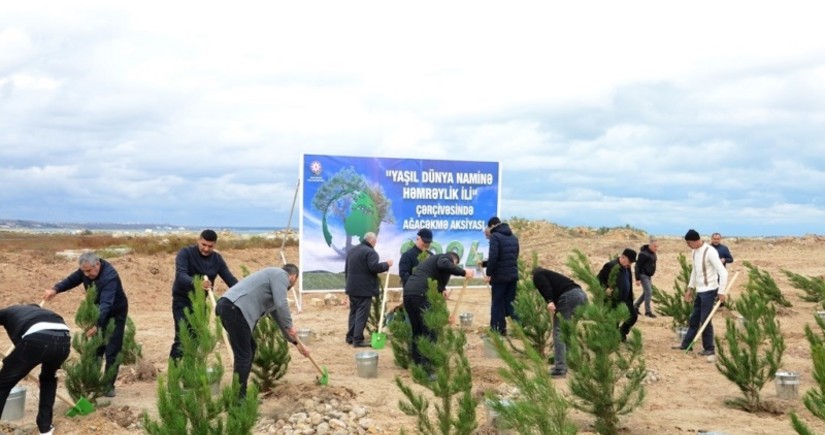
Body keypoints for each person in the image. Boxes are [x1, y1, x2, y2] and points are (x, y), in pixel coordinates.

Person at [215, 264, 309, 399]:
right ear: (293, 277)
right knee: (244, 355)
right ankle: (239, 399)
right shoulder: (280, 274)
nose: (291, 286)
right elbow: (282, 304)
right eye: (294, 282)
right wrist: (290, 325)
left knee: (249, 349)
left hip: (229, 308)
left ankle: (240, 392)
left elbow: (280, 319)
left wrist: (296, 343)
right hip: (234, 308)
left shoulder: (272, 288)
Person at [44, 251, 129, 397]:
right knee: (95, 349)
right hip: (97, 311)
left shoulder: (110, 277)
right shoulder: (85, 270)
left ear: (97, 264)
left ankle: (108, 386)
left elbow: (106, 304)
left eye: (89, 271)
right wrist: (55, 289)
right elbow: (71, 280)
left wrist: (97, 324)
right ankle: (92, 382)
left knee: (112, 349)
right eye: (84, 271)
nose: (87, 274)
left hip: (115, 313)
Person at [0, 304, 71, 435]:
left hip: (36, 338)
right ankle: (45, 428)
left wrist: (14, 367)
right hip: (64, 340)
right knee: (48, 379)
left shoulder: (8, 312)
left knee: (2, 384)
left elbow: (26, 350)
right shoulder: (45, 313)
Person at [170, 229, 238, 360]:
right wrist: (197, 283)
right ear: (198, 241)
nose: (206, 249)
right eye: (204, 245)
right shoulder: (186, 253)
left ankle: (190, 372)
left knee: (196, 337)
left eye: (210, 246)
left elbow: (230, 279)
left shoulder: (217, 259)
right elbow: (181, 275)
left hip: (200, 303)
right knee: (182, 337)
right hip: (182, 300)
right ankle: (174, 373)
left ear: (215, 245)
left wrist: (243, 290)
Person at [403, 252, 474, 368]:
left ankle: (418, 364)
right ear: (454, 260)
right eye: (454, 264)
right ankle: (427, 368)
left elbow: (436, 277)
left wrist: (442, 290)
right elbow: (443, 264)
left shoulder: (428, 264)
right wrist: (463, 272)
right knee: (430, 331)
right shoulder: (445, 257)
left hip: (408, 294)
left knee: (418, 331)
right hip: (421, 295)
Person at [675, 229, 728, 356]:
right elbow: (695, 271)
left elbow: (723, 272)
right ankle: (686, 344)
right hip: (700, 291)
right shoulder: (694, 251)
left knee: (705, 320)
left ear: (695, 241)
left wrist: (721, 292)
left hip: (710, 291)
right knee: (694, 319)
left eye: (689, 243)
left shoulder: (710, 252)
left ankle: (709, 348)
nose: (688, 246)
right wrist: (690, 288)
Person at [532, 267, 588, 378]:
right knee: (568, 331)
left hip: (569, 296)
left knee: (559, 331)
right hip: (582, 296)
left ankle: (560, 368)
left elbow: (545, 287)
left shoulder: (538, 274)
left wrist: (549, 301)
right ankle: (569, 362)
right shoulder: (553, 275)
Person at [344, 232, 393, 347]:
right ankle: (358, 340)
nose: (375, 244)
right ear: (372, 241)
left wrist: (347, 288)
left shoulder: (352, 251)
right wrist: (386, 264)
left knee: (353, 312)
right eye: (375, 242)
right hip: (364, 289)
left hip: (352, 287)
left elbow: (347, 270)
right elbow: (374, 267)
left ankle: (350, 337)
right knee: (362, 313)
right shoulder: (370, 252)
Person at [484, 216, 520, 335]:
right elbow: (511, 256)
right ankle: (522, 327)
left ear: (493, 225)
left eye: (489, 228)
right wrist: (485, 264)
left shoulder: (495, 236)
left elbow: (494, 257)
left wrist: (488, 274)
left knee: (496, 304)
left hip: (500, 278)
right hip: (512, 276)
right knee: (510, 304)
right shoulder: (513, 237)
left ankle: (496, 330)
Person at [598, 248, 637, 342]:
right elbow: (598, 280)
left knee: (633, 316)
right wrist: (605, 289)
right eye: (629, 262)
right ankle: (611, 340)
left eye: (631, 263)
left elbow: (629, 281)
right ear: (623, 257)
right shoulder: (611, 266)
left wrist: (630, 293)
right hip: (614, 299)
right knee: (615, 320)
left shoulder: (627, 267)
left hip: (626, 298)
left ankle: (622, 333)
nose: (630, 264)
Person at [633, 238, 659, 318]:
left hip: (649, 276)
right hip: (643, 275)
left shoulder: (653, 254)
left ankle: (635, 306)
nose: (656, 248)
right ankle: (648, 311)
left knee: (646, 292)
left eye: (657, 246)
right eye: (655, 246)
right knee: (649, 292)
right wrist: (637, 278)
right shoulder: (643, 254)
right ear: (650, 245)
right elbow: (637, 266)